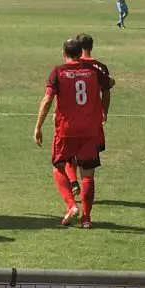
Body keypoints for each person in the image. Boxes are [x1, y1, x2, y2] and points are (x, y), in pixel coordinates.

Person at [33, 38, 108, 229]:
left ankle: (71, 205)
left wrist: (38, 126)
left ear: (64, 53)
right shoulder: (93, 71)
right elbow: (108, 84)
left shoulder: (58, 71)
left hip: (66, 130)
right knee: (88, 175)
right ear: (81, 53)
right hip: (90, 130)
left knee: (58, 167)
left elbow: (47, 99)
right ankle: (86, 218)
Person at [63, 32, 115, 196]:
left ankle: (73, 182)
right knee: (87, 161)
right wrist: (104, 112)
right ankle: (85, 195)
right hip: (92, 120)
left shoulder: (71, 66)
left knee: (69, 153)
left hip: (71, 119)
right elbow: (106, 92)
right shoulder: (100, 67)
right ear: (92, 46)